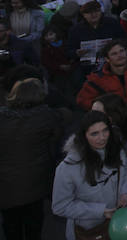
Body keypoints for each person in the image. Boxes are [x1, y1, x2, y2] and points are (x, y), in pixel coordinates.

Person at [51, 111, 127, 240]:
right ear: (84, 136)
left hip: (125, 223)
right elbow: (60, 206)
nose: (102, 137)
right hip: (91, 229)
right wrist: (100, 211)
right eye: (94, 134)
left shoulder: (120, 147)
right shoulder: (68, 167)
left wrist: (126, 191)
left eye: (105, 131)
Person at [0, 78, 63, 240]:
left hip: (6, 185)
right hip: (35, 182)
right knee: (33, 223)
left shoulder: (2, 117)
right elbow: (57, 137)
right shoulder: (46, 116)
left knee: (10, 224)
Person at [91, 93, 127, 190]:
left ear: (112, 115)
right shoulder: (89, 135)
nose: (92, 117)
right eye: (91, 112)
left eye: (98, 113)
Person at [75, 39, 127, 110]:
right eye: (114, 54)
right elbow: (82, 100)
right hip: (114, 118)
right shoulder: (97, 78)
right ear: (107, 59)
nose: (119, 55)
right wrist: (105, 108)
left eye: (122, 51)